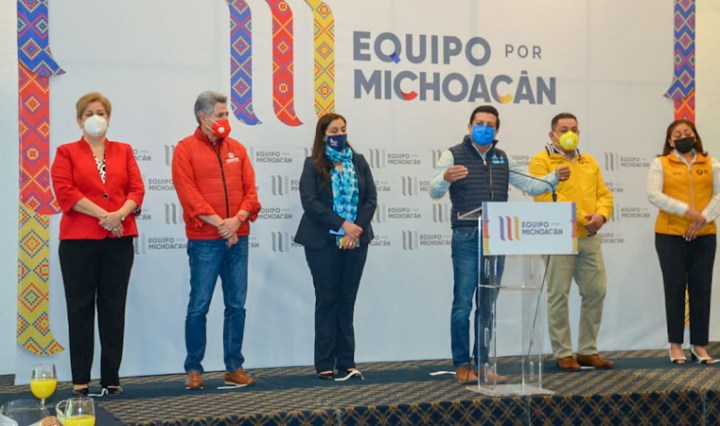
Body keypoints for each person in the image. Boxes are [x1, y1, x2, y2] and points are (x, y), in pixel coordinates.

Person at [429, 105, 569, 384]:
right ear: (469, 127)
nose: (484, 128)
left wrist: (554, 178)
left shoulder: (502, 158)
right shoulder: (453, 154)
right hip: (467, 236)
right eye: (479, 123)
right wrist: (444, 179)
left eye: (490, 124)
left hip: (497, 238)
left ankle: (483, 364)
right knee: (462, 304)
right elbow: (434, 190)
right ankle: (462, 365)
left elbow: (531, 185)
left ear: (496, 131)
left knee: (487, 304)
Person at [51, 92, 145, 396]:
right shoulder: (66, 152)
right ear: (79, 120)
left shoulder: (123, 150)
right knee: (79, 309)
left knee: (113, 308)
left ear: (109, 118)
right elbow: (66, 192)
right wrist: (105, 215)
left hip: (118, 240)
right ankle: (80, 379)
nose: (96, 118)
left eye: (101, 113)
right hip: (78, 243)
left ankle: (111, 378)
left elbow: (136, 190)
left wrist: (119, 215)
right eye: (89, 113)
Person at [172, 91, 261, 390]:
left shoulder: (238, 149)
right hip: (205, 241)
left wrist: (237, 220)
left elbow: (251, 192)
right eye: (221, 115)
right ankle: (193, 369)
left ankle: (234, 367)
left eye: (226, 114)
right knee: (199, 306)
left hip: (238, 238)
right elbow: (189, 196)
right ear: (203, 118)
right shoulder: (185, 150)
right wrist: (221, 225)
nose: (226, 120)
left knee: (236, 305)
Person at [294, 113, 377, 381]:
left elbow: (370, 199)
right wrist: (342, 224)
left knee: (347, 301)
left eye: (343, 129)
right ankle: (324, 363)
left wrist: (356, 228)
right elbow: (310, 201)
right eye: (333, 131)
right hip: (322, 242)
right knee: (327, 300)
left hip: (356, 241)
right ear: (323, 135)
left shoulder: (358, 161)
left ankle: (347, 362)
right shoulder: (312, 164)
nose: (340, 134)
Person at [528, 112, 614, 371]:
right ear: (552, 134)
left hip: (589, 237)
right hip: (558, 237)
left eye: (574, 129)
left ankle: (588, 350)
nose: (570, 134)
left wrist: (602, 215)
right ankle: (563, 353)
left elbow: (604, 194)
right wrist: (582, 217)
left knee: (596, 292)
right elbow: (543, 196)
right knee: (558, 295)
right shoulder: (541, 161)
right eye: (564, 129)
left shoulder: (589, 161)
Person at [647, 119, 720, 365]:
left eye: (687, 132)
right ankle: (676, 345)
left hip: (704, 234)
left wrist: (702, 219)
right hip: (670, 235)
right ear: (670, 141)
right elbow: (653, 194)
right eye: (677, 134)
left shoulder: (710, 163)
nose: (682, 137)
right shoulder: (661, 163)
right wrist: (686, 211)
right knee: (675, 287)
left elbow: (719, 194)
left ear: (695, 136)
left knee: (701, 288)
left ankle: (699, 346)